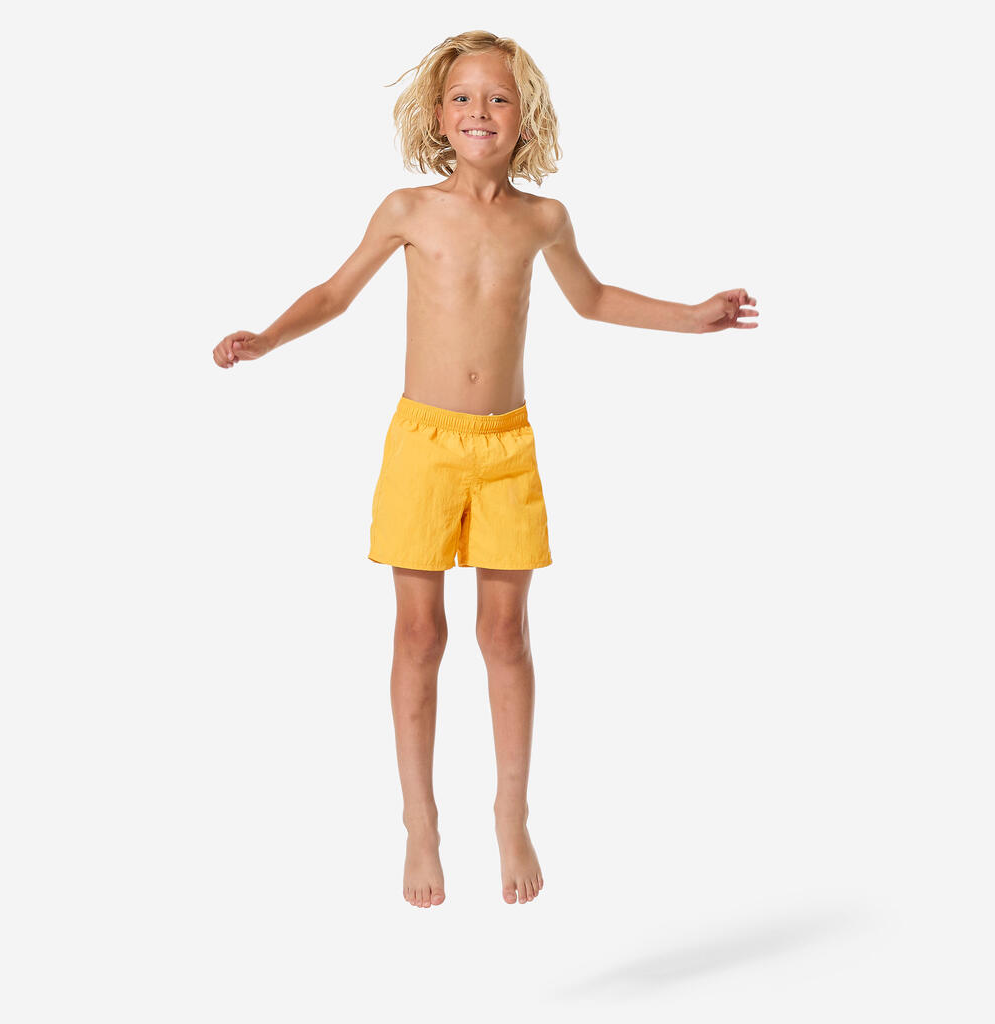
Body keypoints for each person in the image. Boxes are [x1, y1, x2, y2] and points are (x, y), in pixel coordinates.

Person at [211, 30, 758, 911]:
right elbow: (335, 294)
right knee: (418, 634)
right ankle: (419, 823)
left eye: (498, 98)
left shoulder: (544, 219)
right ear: (438, 117)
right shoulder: (407, 210)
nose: (479, 111)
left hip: (506, 448)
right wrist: (269, 337)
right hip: (423, 444)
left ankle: (512, 812)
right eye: (463, 98)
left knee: (505, 635)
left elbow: (593, 299)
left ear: (524, 119)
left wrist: (690, 317)